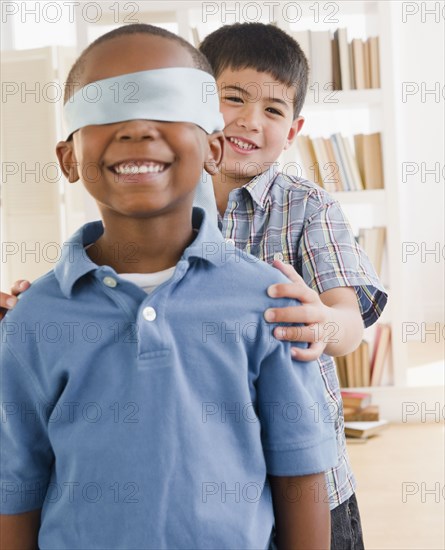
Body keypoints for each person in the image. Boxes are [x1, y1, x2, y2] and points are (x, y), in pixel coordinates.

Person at [0, 24, 338, 550]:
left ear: (213, 148)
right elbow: (15, 485)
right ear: (68, 158)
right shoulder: (30, 320)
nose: (137, 128)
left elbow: (299, 474)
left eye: (166, 107)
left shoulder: (270, 305)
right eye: (107, 110)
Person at [198, 23, 388, 549]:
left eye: (273, 110)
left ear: (294, 129)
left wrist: (322, 321)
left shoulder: (310, 208)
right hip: (209, 471)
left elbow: (348, 326)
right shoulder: (165, 204)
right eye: (231, 98)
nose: (249, 121)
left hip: (311, 476)